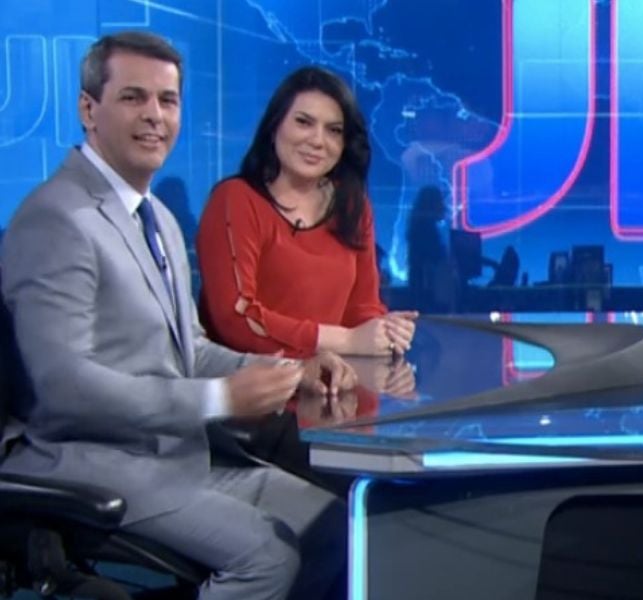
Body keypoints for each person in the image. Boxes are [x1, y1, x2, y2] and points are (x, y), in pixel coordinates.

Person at [0, 32, 353, 599]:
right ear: (89, 109)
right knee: (269, 557)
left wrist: (292, 368)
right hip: (94, 464)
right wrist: (219, 401)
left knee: (335, 528)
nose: (155, 117)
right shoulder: (55, 218)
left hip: (179, 455)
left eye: (168, 101)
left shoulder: (158, 217)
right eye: (133, 98)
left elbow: (190, 347)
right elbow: (63, 389)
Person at [197, 66, 416, 358]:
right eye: (304, 122)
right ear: (275, 126)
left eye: (334, 130)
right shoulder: (236, 199)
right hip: (256, 392)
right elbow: (237, 319)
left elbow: (362, 308)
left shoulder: (353, 206)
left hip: (334, 388)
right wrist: (347, 341)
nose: (317, 141)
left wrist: (382, 330)